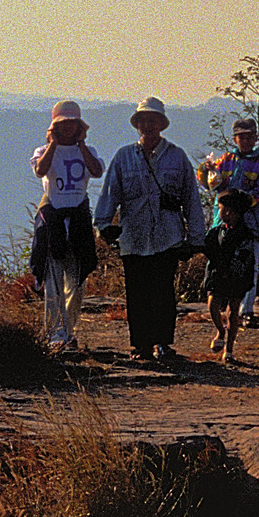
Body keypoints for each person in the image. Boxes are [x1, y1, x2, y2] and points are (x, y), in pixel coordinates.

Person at [94, 96, 205, 361]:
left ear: (161, 124)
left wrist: (196, 238)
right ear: (137, 124)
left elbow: (191, 198)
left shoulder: (177, 157)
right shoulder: (123, 157)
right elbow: (110, 194)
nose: (147, 125)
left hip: (168, 237)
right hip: (133, 237)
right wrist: (103, 226)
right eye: (143, 120)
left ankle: (163, 343)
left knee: (164, 293)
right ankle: (141, 346)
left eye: (152, 120)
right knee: (137, 293)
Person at [29, 100, 103, 352]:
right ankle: (54, 332)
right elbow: (41, 171)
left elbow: (96, 171)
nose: (68, 128)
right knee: (53, 280)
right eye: (63, 124)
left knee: (76, 280)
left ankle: (70, 330)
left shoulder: (88, 150)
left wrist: (81, 144)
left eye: (72, 123)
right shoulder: (43, 150)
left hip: (78, 217)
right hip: (54, 218)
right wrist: (53, 144)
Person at [198, 117, 259, 324]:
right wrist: (206, 170)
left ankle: (245, 310)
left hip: (250, 223)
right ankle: (217, 303)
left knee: (249, 265)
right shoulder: (226, 160)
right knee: (218, 261)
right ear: (235, 139)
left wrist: (240, 205)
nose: (246, 141)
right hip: (222, 222)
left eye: (250, 137)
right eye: (242, 137)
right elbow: (209, 184)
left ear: (256, 138)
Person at [203, 188, 257, 364]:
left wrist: (231, 271)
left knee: (234, 309)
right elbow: (207, 247)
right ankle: (220, 330)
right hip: (218, 274)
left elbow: (245, 258)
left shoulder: (246, 236)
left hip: (236, 277)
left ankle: (230, 348)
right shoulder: (217, 231)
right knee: (212, 303)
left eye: (221, 207)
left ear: (230, 211)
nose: (220, 211)